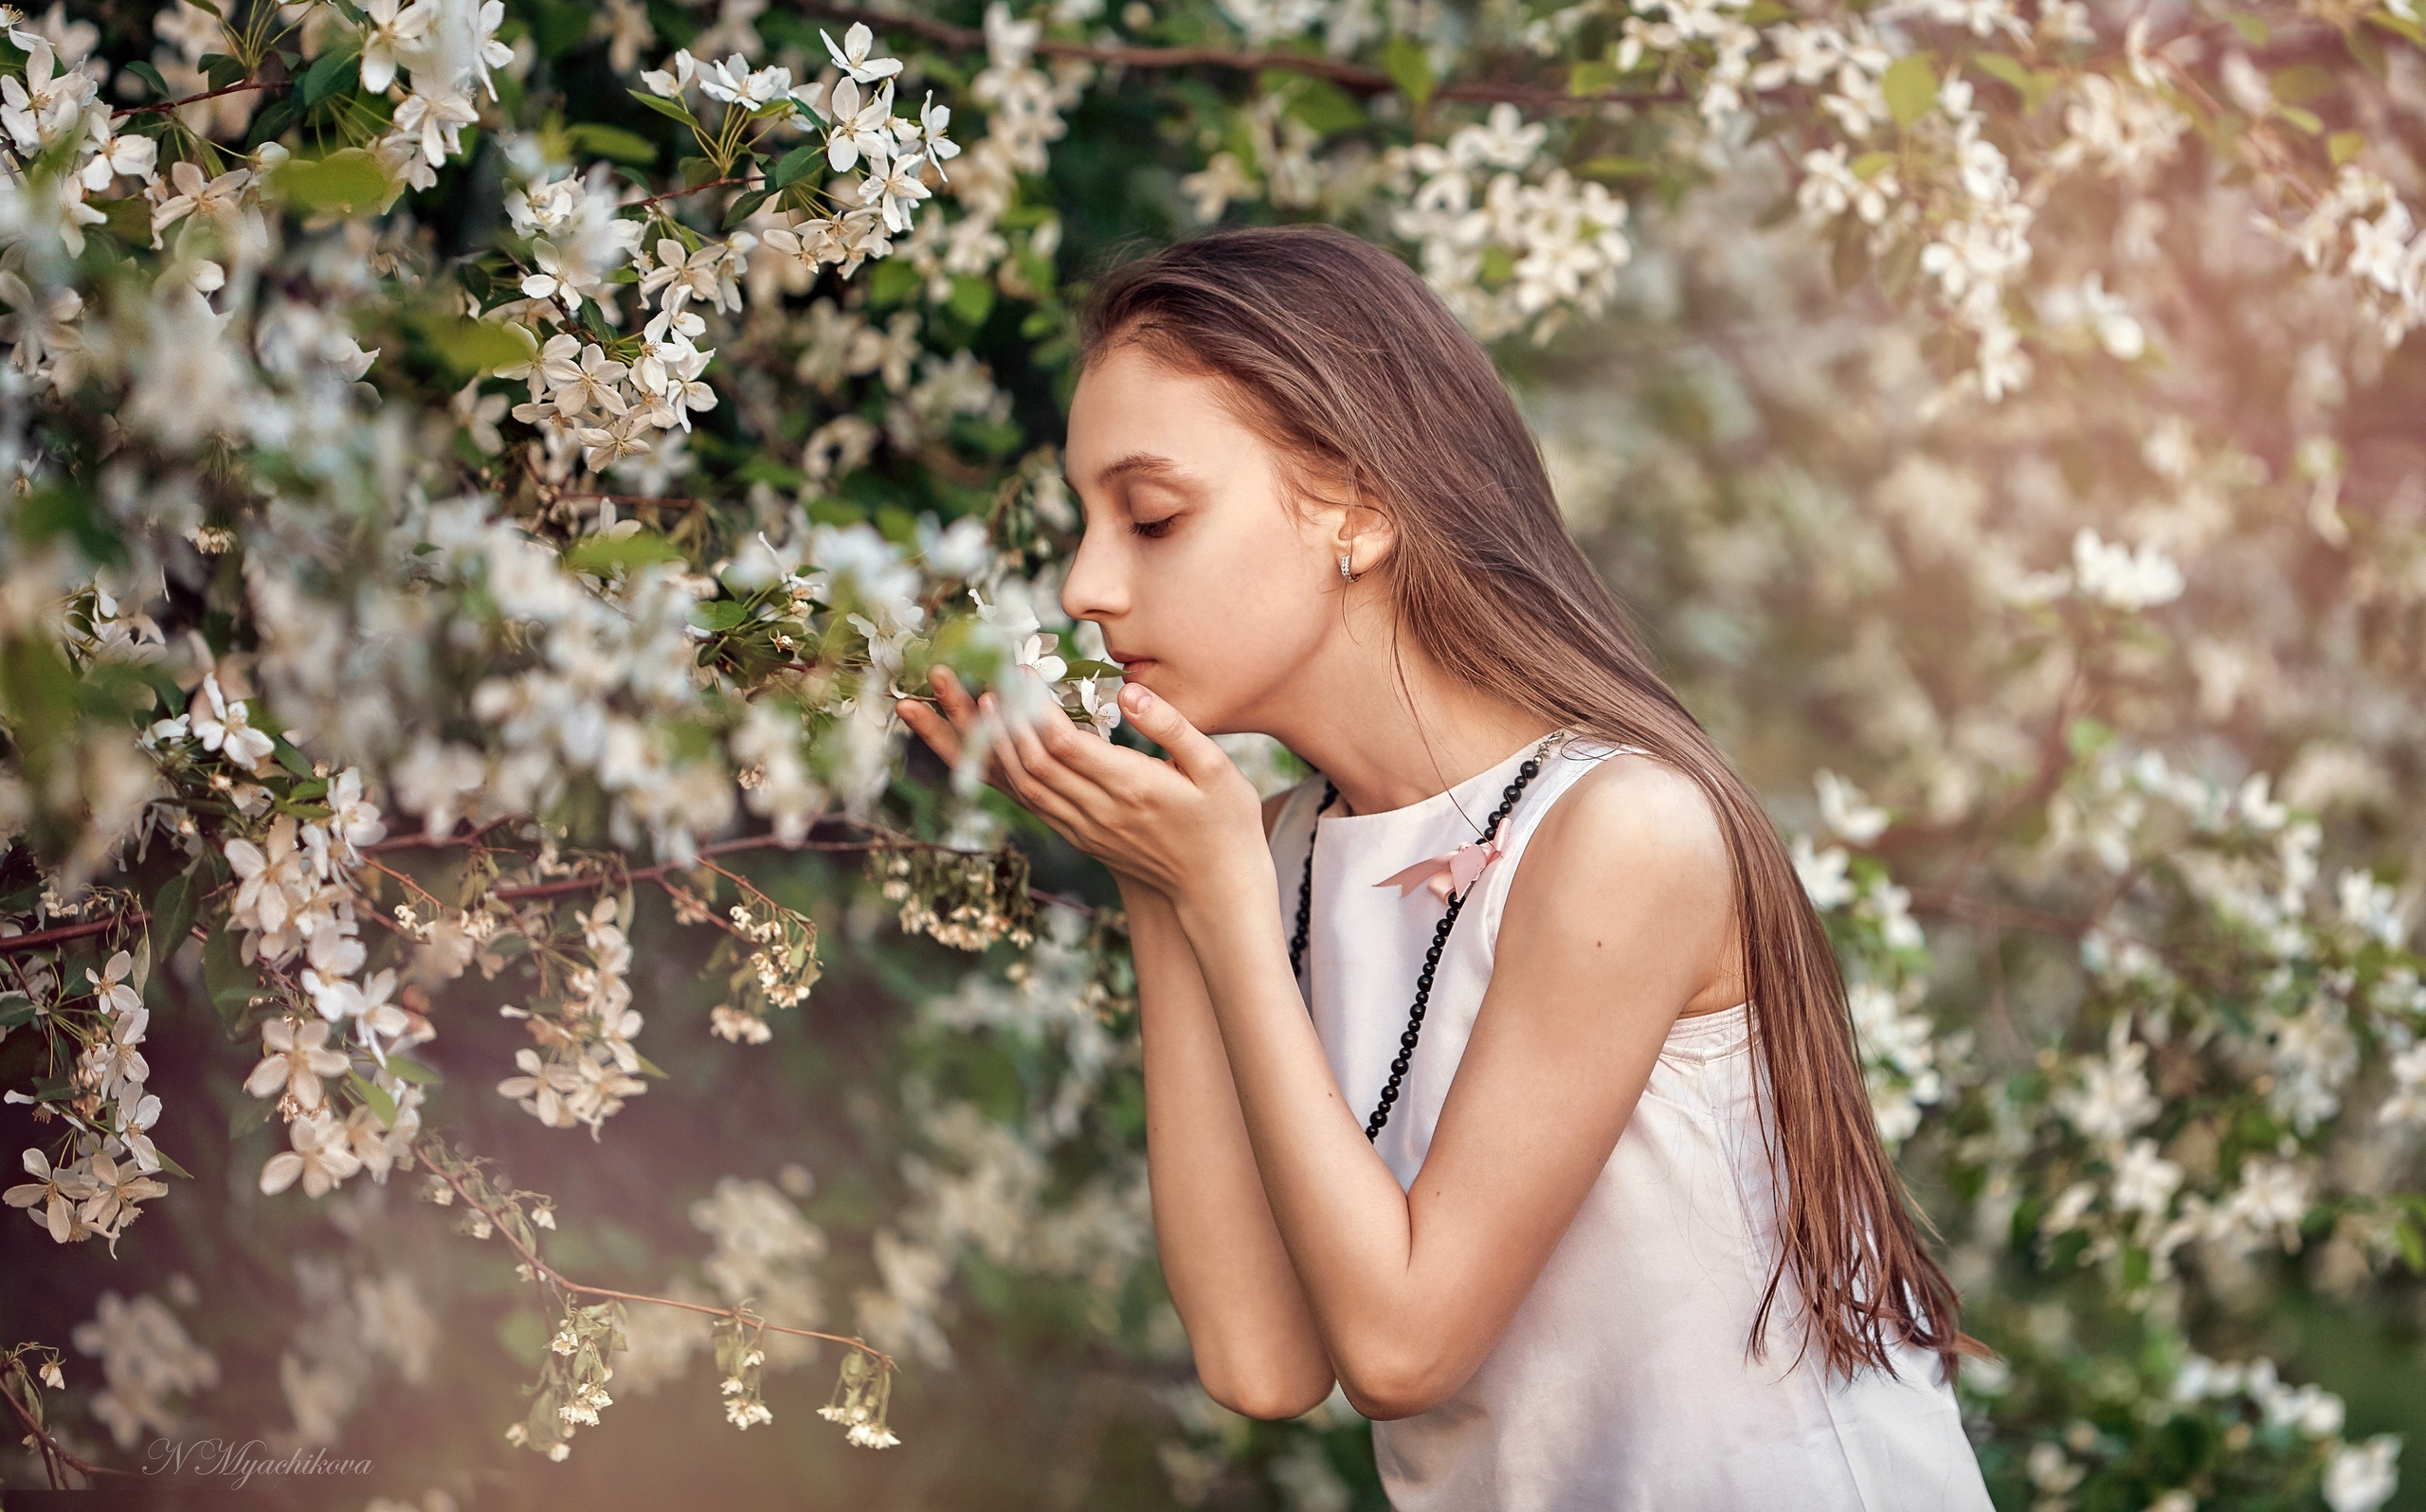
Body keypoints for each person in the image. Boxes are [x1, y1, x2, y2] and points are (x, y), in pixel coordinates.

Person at [896, 223, 1994, 1511]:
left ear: (1357, 509)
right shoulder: (1278, 852)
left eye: (1151, 517)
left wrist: (1222, 905)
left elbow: (1405, 1347)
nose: (1086, 584)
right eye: (1089, 522)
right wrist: (1160, 885)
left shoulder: (1621, 833)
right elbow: (1261, 1363)